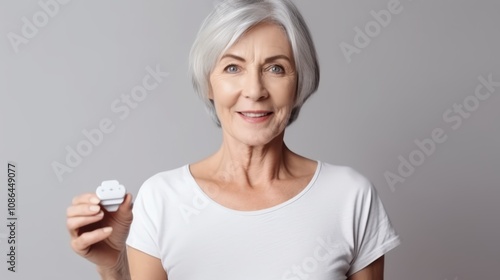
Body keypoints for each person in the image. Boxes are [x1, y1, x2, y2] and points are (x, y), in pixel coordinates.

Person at [66, 0, 400, 279]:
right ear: (208, 84)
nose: (254, 91)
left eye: (276, 68)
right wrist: (112, 265)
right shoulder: (163, 199)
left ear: (299, 84)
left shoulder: (349, 197)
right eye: (232, 68)